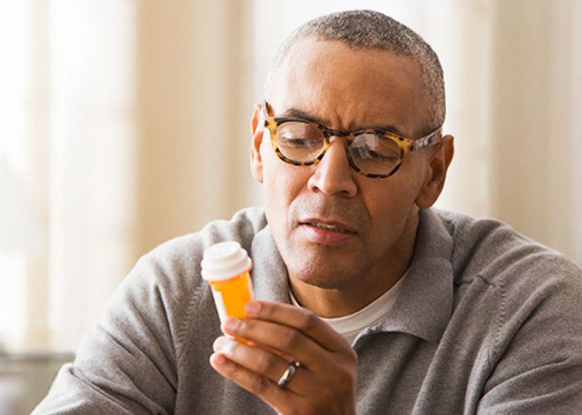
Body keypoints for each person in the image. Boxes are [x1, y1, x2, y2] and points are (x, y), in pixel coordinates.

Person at [33, 10, 582, 415]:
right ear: (258, 145)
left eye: (374, 149)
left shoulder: (531, 308)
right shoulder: (177, 292)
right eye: (298, 138)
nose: (330, 180)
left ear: (433, 172)